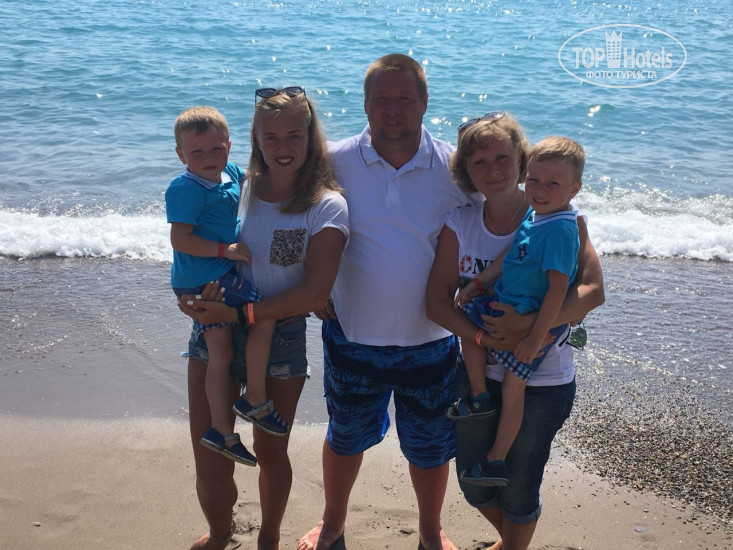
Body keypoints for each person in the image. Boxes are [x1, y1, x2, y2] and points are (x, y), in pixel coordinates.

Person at [298, 53, 480, 550]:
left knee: (430, 447)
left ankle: (430, 531)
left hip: (432, 340)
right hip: (351, 335)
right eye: (382, 99)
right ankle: (333, 523)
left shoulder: (457, 169)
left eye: (404, 99)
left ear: (424, 102)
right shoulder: (331, 162)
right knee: (344, 437)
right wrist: (309, 285)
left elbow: (497, 225)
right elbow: (292, 220)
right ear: (365, 103)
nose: (392, 110)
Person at [177, 88, 349, 550]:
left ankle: (268, 538)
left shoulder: (326, 203)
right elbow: (193, 243)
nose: (282, 147)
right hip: (216, 324)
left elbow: (314, 291)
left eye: (294, 135)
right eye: (270, 137)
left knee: (271, 451)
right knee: (210, 453)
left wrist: (242, 310)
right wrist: (190, 295)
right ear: (255, 139)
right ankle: (221, 533)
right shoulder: (238, 185)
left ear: (311, 137)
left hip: (281, 335)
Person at [425, 114, 604, 550]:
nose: (492, 169)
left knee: (519, 489)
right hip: (480, 375)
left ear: (520, 160)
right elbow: (437, 304)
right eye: (479, 161)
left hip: (544, 379)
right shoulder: (461, 222)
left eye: (501, 157)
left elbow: (592, 292)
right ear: (465, 171)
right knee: (473, 482)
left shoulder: (559, 217)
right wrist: (484, 338)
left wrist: (529, 327)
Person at [449, 135, 586, 488]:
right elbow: (508, 256)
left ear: (574, 189)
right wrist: (478, 283)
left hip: (535, 323)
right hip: (508, 303)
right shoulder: (537, 216)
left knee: (513, 391)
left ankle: (495, 459)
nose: (540, 189)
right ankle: (479, 397)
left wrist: (533, 338)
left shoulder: (560, 228)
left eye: (553, 184)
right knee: (466, 321)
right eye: (534, 180)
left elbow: (558, 290)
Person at [166, 106, 284, 468]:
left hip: (209, 278)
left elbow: (262, 180)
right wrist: (225, 250)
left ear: (229, 147)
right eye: (197, 152)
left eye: (216, 149)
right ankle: (255, 399)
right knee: (264, 314)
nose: (208, 158)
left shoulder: (230, 173)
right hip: (204, 280)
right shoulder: (186, 189)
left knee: (220, 352)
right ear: (181, 155)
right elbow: (180, 239)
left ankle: (221, 431)